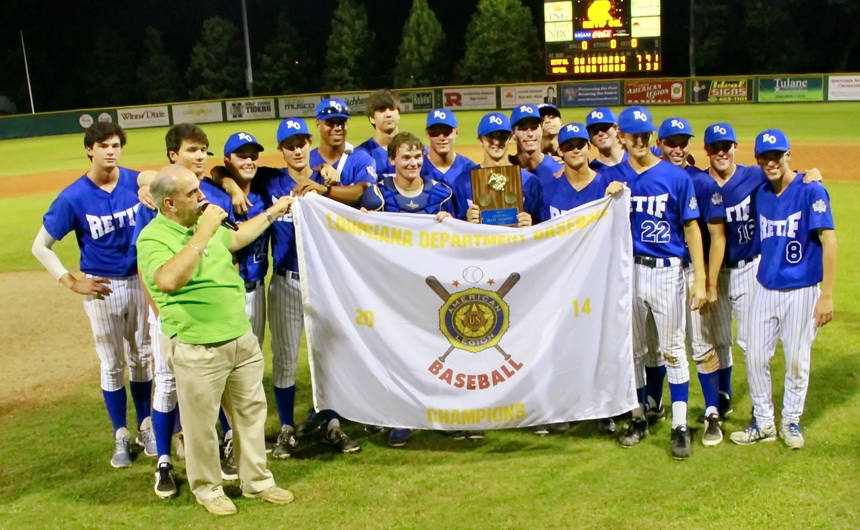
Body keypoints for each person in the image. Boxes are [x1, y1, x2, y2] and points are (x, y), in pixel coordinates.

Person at [136, 164, 296, 515]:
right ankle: (208, 488)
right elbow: (166, 280)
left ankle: (257, 481)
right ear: (169, 205)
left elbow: (236, 238)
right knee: (200, 424)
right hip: (197, 345)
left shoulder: (203, 223)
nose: (202, 196)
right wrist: (201, 236)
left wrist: (272, 211)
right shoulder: (153, 237)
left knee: (250, 413)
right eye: (192, 193)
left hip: (239, 336)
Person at [216, 118, 362, 456]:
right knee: (283, 358)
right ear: (281, 151)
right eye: (289, 145)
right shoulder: (270, 180)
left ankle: (332, 422)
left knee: (328, 355)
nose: (297, 150)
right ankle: (286, 428)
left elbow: (362, 198)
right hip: (285, 282)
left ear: (310, 144)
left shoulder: (329, 181)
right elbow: (219, 171)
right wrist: (232, 186)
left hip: (326, 284)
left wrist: (326, 179)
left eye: (301, 143)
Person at [32, 122, 154, 469]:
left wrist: (147, 181)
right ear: (90, 150)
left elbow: (157, 178)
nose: (111, 151)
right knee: (112, 364)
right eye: (103, 145)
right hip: (102, 288)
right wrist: (71, 282)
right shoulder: (74, 196)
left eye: (116, 144)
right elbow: (40, 247)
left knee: (143, 358)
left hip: (140, 281)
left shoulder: (134, 181)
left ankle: (146, 426)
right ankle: (120, 434)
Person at [136, 123, 240, 497]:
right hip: (169, 308)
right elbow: (146, 268)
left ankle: (224, 446)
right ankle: (164, 461)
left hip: (206, 308)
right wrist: (162, 314)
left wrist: (227, 182)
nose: (199, 156)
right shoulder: (155, 196)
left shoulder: (209, 193)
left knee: (219, 380)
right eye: (192, 150)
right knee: (166, 382)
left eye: (203, 150)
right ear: (173, 155)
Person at [601, 106, 707, 460]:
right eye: (634, 135)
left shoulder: (676, 177)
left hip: (667, 271)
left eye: (645, 134)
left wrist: (701, 279)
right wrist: (608, 197)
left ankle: (679, 425)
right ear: (623, 137)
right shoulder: (613, 177)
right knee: (633, 350)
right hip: (629, 271)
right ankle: (638, 416)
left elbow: (691, 227)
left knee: (673, 350)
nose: (640, 140)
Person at [730, 130, 836, 450]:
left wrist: (827, 294)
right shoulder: (761, 191)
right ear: (758, 159)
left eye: (777, 155)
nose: (772, 161)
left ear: (789, 154)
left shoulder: (811, 190)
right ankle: (763, 422)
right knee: (755, 356)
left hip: (803, 290)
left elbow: (829, 241)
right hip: (765, 285)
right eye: (765, 156)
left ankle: (790, 419)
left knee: (797, 360)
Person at [359, 131, 453, 447]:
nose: (412, 163)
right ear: (392, 160)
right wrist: (362, 222)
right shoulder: (378, 195)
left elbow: (458, 240)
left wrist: (450, 223)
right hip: (393, 291)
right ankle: (401, 416)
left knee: (439, 351)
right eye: (405, 157)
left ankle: (442, 412)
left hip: (432, 290)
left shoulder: (441, 195)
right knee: (398, 352)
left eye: (417, 157)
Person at [657, 118, 728, 446]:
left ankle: (713, 412)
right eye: (671, 142)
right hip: (662, 272)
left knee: (700, 344)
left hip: (691, 274)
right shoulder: (653, 177)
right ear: (659, 143)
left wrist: (708, 282)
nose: (678, 148)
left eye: (683, 142)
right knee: (666, 347)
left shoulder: (702, 182)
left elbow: (716, 236)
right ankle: (657, 406)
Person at [451, 112, 540, 226]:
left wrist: (531, 224)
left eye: (502, 137)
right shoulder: (463, 182)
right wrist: (466, 222)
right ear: (480, 141)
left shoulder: (530, 181)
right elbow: (454, 228)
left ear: (510, 138)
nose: (497, 142)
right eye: (491, 137)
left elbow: (542, 225)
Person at [293, 98, 378, 205]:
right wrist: (321, 167)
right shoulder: (306, 159)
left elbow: (363, 192)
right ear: (318, 124)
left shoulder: (362, 159)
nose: (337, 128)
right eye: (330, 123)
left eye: (341, 123)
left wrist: (324, 189)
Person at [508, 104, 563, 192]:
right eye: (523, 128)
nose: (530, 134)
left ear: (541, 130)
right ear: (513, 134)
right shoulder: (505, 170)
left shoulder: (559, 170)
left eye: (534, 127)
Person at [421, 108, 479, 188]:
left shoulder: (470, 169)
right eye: (435, 132)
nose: (441, 137)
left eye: (446, 132)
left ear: (456, 132)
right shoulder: (417, 169)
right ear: (427, 134)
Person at [355, 89, 401, 179]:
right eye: (382, 110)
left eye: (392, 109)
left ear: (399, 114)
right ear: (372, 118)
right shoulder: (361, 153)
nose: (388, 114)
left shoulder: (416, 150)